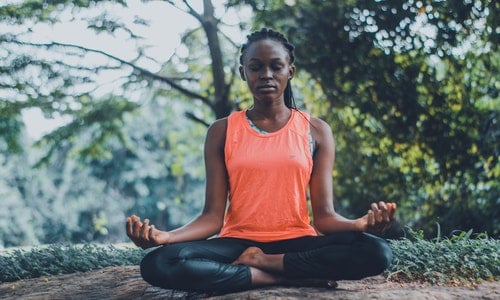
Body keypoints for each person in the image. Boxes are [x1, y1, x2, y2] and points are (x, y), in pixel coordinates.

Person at [126, 28, 396, 294]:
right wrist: (166, 237)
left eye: (276, 66)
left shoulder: (315, 130)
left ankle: (262, 264)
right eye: (256, 67)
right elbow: (211, 218)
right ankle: (278, 279)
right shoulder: (222, 131)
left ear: (290, 71)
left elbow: (324, 218)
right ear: (243, 72)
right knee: (159, 262)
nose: (266, 74)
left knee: (376, 251)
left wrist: (359, 224)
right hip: (236, 243)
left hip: (296, 242)